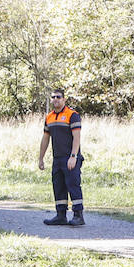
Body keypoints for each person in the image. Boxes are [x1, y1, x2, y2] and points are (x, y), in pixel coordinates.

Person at [38, 87, 85, 226]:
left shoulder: (72, 115)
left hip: (69, 157)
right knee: (58, 186)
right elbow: (45, 138)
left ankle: (78, 215)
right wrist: (41, 158)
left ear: (64, 99)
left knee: (73, 185)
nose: (56, 99)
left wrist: (73, 156)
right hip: (57, 159)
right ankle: (60, 215)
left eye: (58, 97)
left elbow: (77, 137)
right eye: (53, 97)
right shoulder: (49, 117)